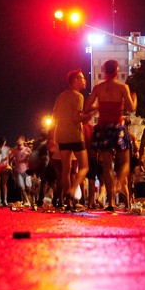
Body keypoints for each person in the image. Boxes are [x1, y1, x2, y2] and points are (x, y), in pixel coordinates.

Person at [84, 59, 137, 211]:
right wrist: (135, 97)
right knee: (125, 162)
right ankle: (120, 182)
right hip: (117, 128)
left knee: (107, 167)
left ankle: (111, 203)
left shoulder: (98, 88)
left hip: (102, 129)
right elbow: (131, 108)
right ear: (117, 71)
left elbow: (87, 107)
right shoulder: (122, 87)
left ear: (104, 71)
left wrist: (98, 106)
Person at [52, 70, 92, 212]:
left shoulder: (61, 96)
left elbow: (55, 116)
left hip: (62, 136)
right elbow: (76, 119)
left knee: (66, 170)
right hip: (75, 135)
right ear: (75, 80)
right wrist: (91, 114)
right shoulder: (79, 96)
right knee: (84, 166)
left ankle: (68, 203)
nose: (84, 80)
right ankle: (72, 190)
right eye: (81, 78)